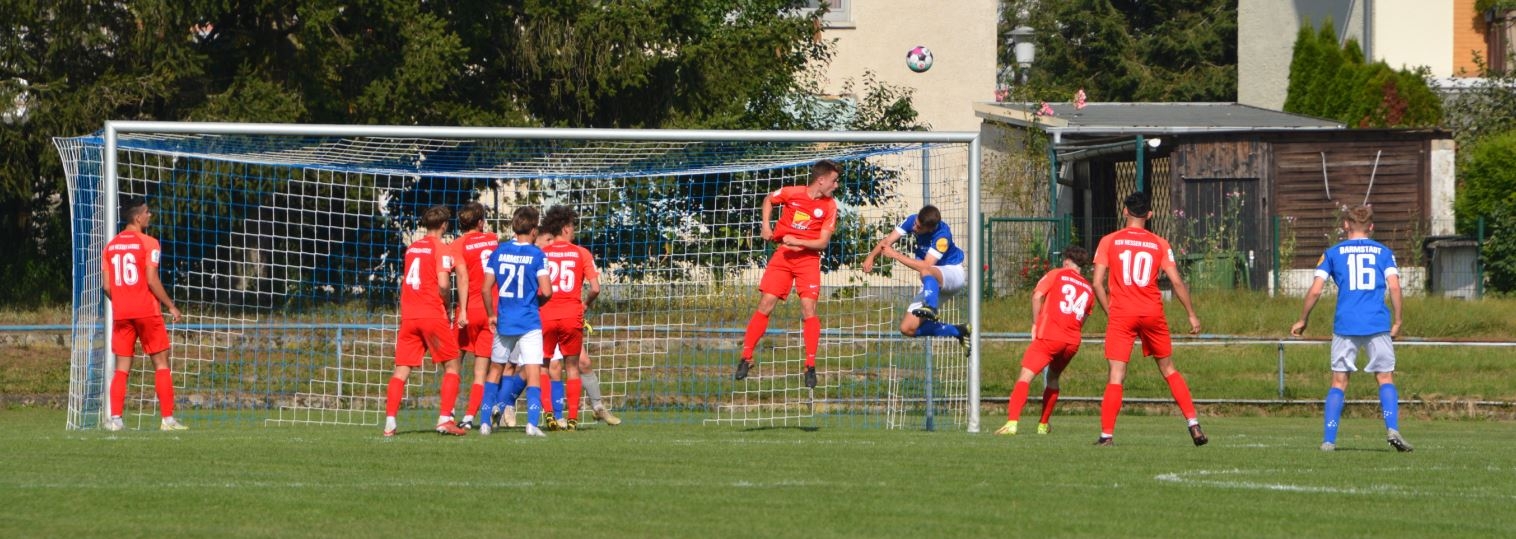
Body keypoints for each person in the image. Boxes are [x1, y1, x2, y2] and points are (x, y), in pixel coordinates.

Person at [1291, 205, 1412, 452]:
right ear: (1371, 227)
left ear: (1345, 225)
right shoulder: (1384, 252)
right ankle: (1392, 428)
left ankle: (1329, 440)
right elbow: (1395, 287)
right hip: (1377, 323)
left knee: (1339, 381)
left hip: (1345, 324)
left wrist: (1303, 319)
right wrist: (1398, 321)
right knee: (1385, 377)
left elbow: (1316, 290)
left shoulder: (1332, 253)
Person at [1091, 191, 1206, 447]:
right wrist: (1191, 314)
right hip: (1152, 312)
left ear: (1125, 212)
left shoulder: (1109, 241)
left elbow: (1097, 283)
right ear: (1150, 215)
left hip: (1122, 314)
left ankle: (1107, 435)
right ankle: (1193, 423)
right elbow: (1176, 282)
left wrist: (1110, 311)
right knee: (1169, 369)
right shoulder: (1160, 243)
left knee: (1116, 374)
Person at [734, 159, 842, 389]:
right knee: (766, 303)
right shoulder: (792, 193)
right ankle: (746, 357)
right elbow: (768, 199)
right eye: (834, 181)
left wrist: (798, 241)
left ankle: (810, 365)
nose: (836, 185)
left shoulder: (830, 206)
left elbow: (822, 242)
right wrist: (766, 225)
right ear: (821, 180)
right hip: (783, 256)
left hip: (808, 260)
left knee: (808, 308)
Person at [101, 197, 186, 432]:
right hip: (147, 312)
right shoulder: (149, 243)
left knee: (121, 367)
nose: (150, 215)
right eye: (147, 212)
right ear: (138, 217)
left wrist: (122, 300)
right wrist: (170, 305)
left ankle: (116, 420)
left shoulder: (110, 247)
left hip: (122, 313)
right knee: (161, 363)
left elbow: (106, 286)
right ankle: (167, 419)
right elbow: (151, 279)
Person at [384, 205, 468, 437]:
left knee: (401, 370)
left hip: (409, 315)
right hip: (431, 314)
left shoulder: (412, 248)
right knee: (452, 365)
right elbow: (443, 284)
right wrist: (448, 306)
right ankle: (445, 419)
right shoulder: (441, 248)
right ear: (444, 225)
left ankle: (390, 422)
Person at [994, 246, 1093, 436]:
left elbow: (1037, 296)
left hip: (1050, 335)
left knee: (1025, 376)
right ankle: (1043, 425)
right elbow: (1083, 318)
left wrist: (1035, 323)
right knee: (1053, 378)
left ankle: (1012, 423)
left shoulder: (1057, 274)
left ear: (1067, 261)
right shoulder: (1089, 289)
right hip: (1072, 341)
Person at [481, 206, 553, 437]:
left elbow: (485, 288)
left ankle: (484, 423)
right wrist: (535, 303)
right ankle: (532, 424)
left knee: (495, 369)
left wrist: (491, 314)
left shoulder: (499, 251)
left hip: (505, 320)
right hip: (529, 321)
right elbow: (547, 291)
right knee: (533, 370)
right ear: (534, 230)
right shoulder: (537, 255)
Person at [538, 205, 608, 431]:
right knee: (573, 367)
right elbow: (595, 288)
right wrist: (585, 304)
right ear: (566, 228)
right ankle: (573, 419)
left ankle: (549, 414)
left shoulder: (542, 253)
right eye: (573, 226)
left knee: (543, 366)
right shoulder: (581, 253)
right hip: (571, 315)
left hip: (546, 314)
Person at [860, 204, 971, 346]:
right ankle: (959, 331)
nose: (914, 227)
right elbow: (887, 241)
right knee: (907, 328)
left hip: (952, 273)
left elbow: (926, 265)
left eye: (919, 227)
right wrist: (871, 257)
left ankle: (931, 307)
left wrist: (895, 254)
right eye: (915, 223)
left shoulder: (942, 236)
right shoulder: (912, 220)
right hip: (932, 281)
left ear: (930, 229)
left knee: (925, 270)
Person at [452, 202, 498, 431]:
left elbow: (461, 277)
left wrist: (461, 309)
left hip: (468, 309)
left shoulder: (457, 244)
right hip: (491, 311)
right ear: (480, 222)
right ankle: (470, 417)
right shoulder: (493, 239)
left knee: (454, 363)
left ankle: (448, 411)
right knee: (481, 371)